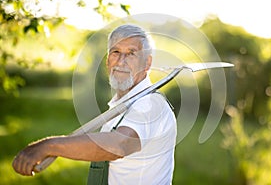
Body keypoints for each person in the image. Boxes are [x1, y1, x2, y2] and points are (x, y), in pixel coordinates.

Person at [12, 24, 177, 184]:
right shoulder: (123, 105)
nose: (121, 61)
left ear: (147, 63)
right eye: (116, 52)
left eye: (131, 53)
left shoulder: (150, 104)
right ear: (107, 60)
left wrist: (50, 146)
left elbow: (119, 145)